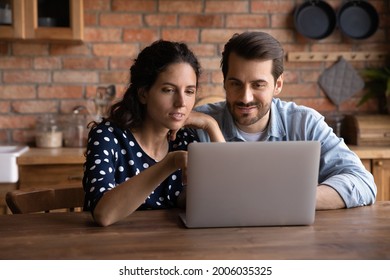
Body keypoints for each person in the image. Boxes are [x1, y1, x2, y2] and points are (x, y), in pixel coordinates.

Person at [194, 31, 376, 210]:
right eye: (236, 84)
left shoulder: (305, 123)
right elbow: (174, 193)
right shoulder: (198, 123)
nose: (246, 97)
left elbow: (362, 182)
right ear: (225, 82)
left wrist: (286, 200)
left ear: (278, 85)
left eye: (258, 85)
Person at [83, 40, 225, 226]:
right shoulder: (108, 137)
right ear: (143, 94)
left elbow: (222, 202)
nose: (181, 102)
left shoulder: (184, 140)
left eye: (189, 91)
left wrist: (211, 125)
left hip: (168, 248)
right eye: (168, 90)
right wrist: (170, 163)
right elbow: (104, 215)